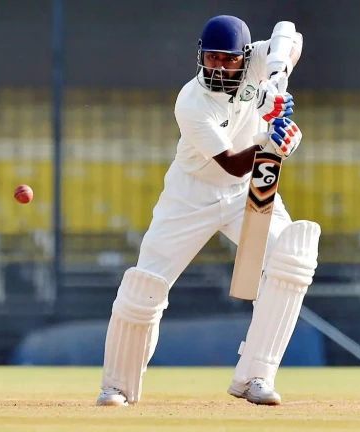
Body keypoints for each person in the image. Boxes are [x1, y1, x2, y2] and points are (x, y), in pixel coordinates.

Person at [96, 15, 321, 407]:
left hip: (247, 192)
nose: (218, 66)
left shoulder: (259, 61)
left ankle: (255, 377)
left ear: (245, 56)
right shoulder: (191, 101)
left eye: (228, 59)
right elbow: (231, 163)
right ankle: (117, 386)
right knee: (145, 285)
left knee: (292, 257)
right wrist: (271, 141)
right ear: (200, 56)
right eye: (212, 57)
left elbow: (291, 34)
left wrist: (275, 79)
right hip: (191, 194)